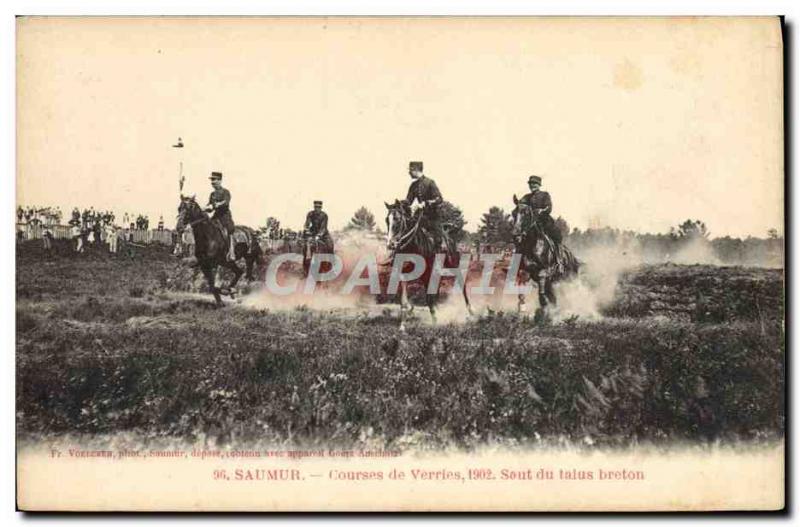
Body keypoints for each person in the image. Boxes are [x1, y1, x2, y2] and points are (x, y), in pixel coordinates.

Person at [401, 161, 448, 251]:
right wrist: (400, 204)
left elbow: (439, 199)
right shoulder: (413, 185)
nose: (409, 173)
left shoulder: (430, 182)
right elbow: (408, 201)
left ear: (416, 170)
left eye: (410, 170)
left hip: (433, 217)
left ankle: (437, 263)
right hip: (420, 217)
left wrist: (425, 203)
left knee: (437, 240)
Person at [520, 175, 562, 244]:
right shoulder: (526, 197)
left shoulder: (545, 195)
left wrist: (542, 210)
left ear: (539, 185)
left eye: (534, 184)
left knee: (555, 234)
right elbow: (520, 204)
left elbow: (549, 207)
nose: (532, 185)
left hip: (543, 220)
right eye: (530, 184)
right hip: (530, 221)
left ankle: (557, 251)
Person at [206, 171, 236, 261]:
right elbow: (210, 206)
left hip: (225, 216)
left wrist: (216, 205)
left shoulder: (225, 192)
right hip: (216, 216)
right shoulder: (212, 194)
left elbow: (226, 202)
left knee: (230, 229)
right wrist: (205, 208)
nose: (212, 182)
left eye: (214, 180)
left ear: (220, 180)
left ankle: (231, 251)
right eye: (211, 180)